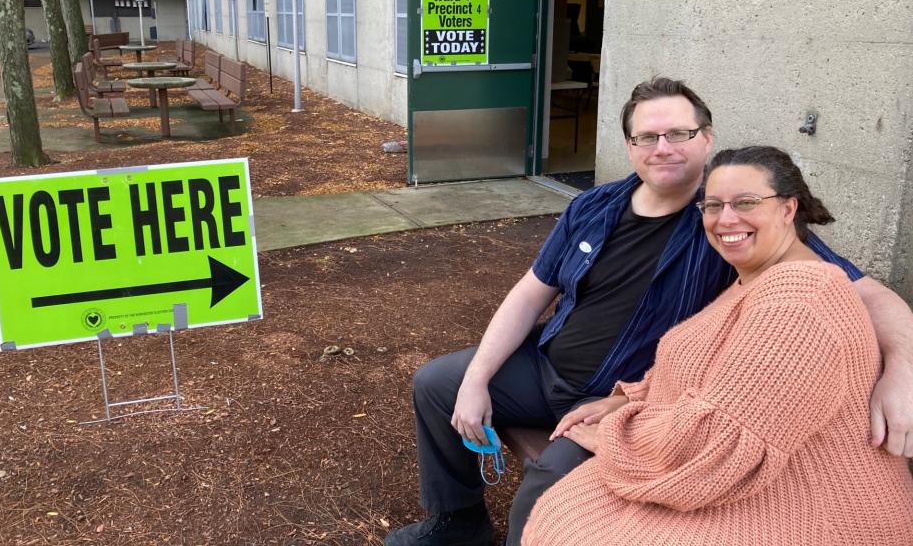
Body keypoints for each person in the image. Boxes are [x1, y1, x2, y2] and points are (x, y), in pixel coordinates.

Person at [384, 78, 913, 546]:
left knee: (552, 481)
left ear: (706, 137)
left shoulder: (731, 221)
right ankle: (458, 520)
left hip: (625, 396)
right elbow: (530, 293)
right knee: (438, 383)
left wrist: (904, 369)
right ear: (631, 145)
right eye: (647, 137)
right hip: (548, 366)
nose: (663, 148)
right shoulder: (592, 205)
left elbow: (865, 294)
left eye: (679, 134)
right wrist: (478, 378)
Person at [522, 146, 913, 545]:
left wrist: (614, 434)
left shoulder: (800, 299)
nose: (726, 219)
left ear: (788, 209)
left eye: (746, 202)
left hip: (810, 506)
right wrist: (627, 399)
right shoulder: (751, 279)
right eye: (712, 205)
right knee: (563, 508)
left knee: (574, 524)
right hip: (743, 478)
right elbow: (707, 367)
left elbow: (719, 449)